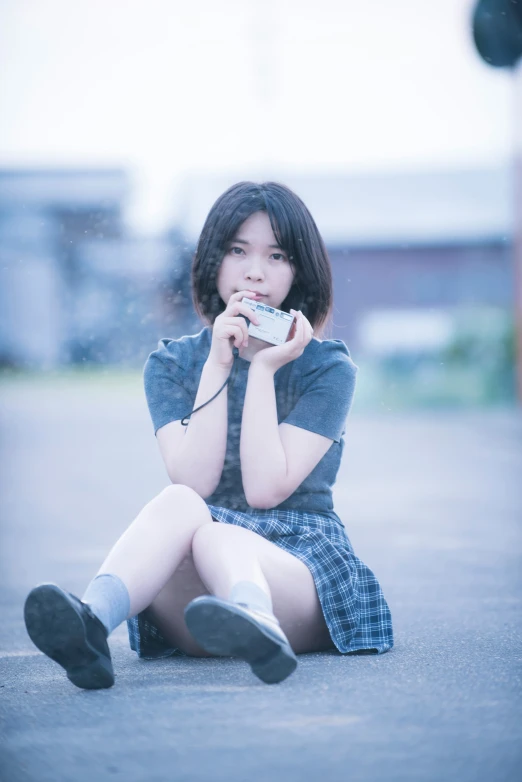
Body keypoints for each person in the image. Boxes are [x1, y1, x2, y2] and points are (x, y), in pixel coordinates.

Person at [23, 181, 393, 690]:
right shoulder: (173, 364)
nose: (254, 271)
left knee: (220, 534)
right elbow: (195, 482)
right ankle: (88, 625)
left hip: (299, 563)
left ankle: (257, 622)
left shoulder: (326, 368)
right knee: (181, 504)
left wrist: (262, 370)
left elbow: (266, 490)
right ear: (212, 261)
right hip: (198, 590)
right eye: (237, 250)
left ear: (298, 269)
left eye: (277, 255)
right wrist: (220, 361)